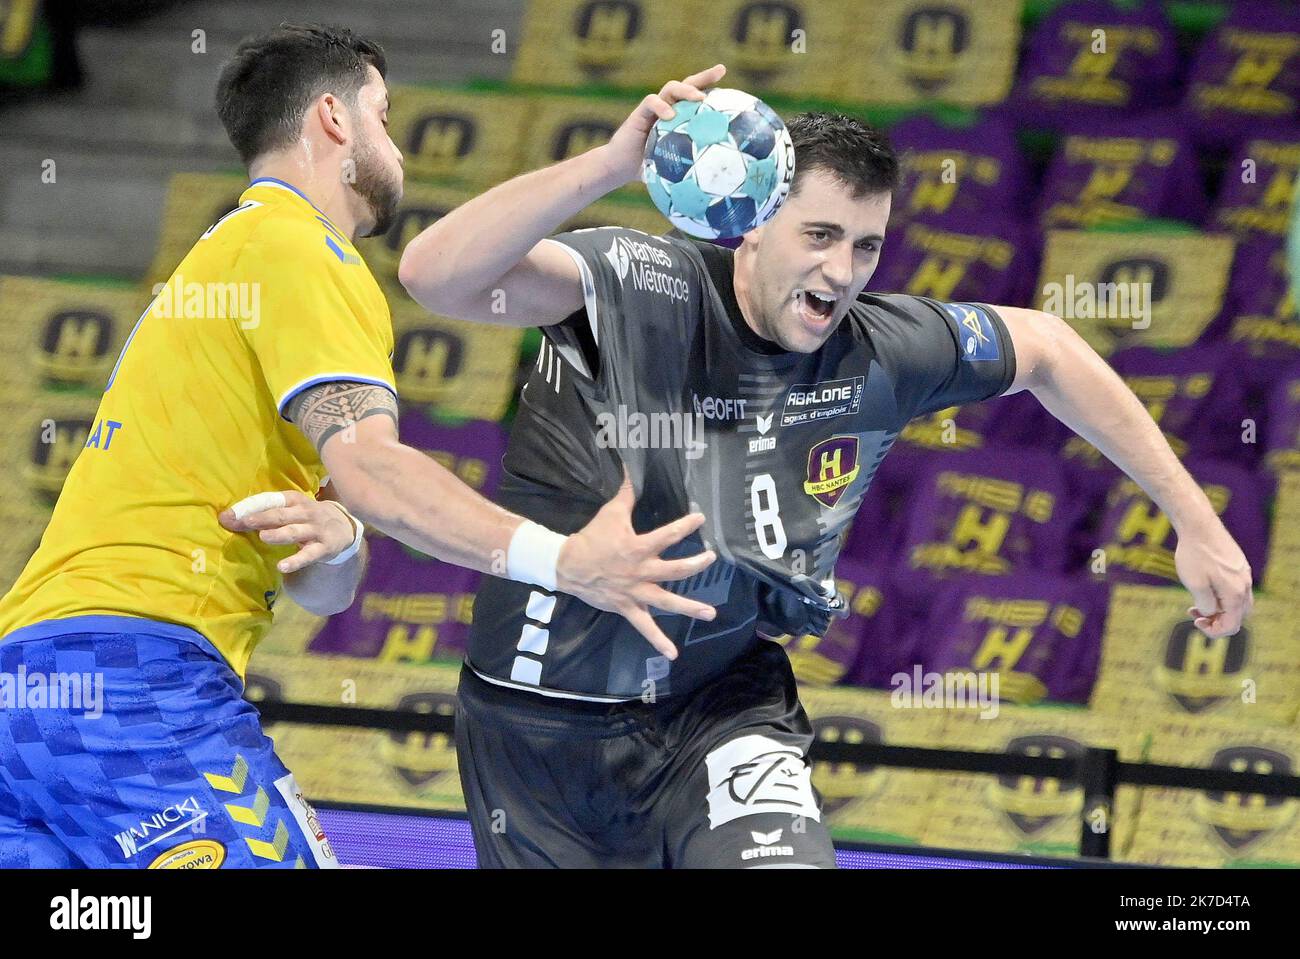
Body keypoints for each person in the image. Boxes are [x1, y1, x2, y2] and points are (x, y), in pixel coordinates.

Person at [398, 64, 1255, 868]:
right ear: (752, 218)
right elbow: (434, 275)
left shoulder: (881, 348)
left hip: (723, 711)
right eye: (819, 235)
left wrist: (1197, 520)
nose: (842, 272)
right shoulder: (639, 284)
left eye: (867, 245)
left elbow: (1050, 346)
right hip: (535, 727)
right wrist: (609, 165)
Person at [0, 24, 714, 870]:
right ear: (334, 120)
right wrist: (567, 563)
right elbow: (373, 469)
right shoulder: (296, 247)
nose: (397, 145)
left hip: (29, 688)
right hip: (132, 679)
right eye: (386, 115)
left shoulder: (221, 264)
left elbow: (325, 587)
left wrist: (338, 536)